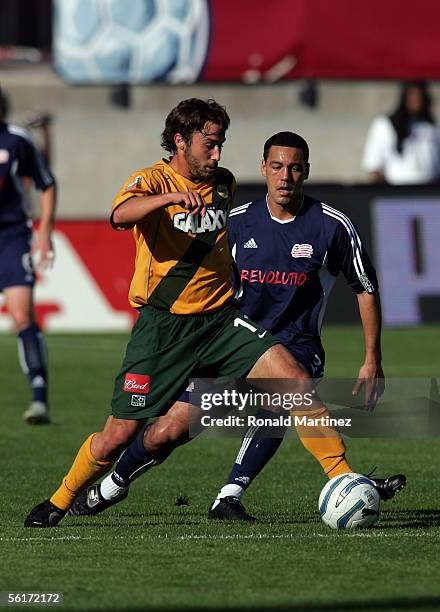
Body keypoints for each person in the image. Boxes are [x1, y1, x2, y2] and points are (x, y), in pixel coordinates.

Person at [66, 132, 406, 522]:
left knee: (280, 398)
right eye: (277, 166)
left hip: (296, 346)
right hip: (230, 342)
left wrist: (371, 358)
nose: (285, 177)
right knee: (168, 430)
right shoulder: (235, 222)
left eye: (295, 168)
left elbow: (365, 287)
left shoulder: (332, 225)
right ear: (263, 169)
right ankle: (110, 487)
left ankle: (240, 495)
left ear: (306, 172)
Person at [24, 100, 323, 528]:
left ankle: (342, 479)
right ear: (180, 141)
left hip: (220, 321)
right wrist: (168, 199)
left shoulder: (224, 183)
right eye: (209, 144)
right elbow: (119, 215)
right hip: (163, 328)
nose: (217, 154)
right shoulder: (149, 179)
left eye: (221, 144)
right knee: (119, 434)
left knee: (293, 379)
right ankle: (60, 500)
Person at [0, 85, 56, 424]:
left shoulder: (16, 139)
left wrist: (45, 232)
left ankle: (39, 397)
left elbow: (45, 181)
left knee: (22, 316)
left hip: (10, 237)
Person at [362, 81, 440, 185]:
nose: (416, 100)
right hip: (398, 192)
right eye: (412, 94)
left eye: (420, 95)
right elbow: (374, 166)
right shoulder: (385, 124)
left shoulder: (430, 127)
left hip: (428, 193)